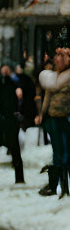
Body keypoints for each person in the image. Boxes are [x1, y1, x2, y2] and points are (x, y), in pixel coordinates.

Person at [37, 38, 70, 197]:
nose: (60, 58)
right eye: (58, 55)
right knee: (59, 153)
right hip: (56, 118)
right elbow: (48, 97)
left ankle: (60, 185)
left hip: (65, 118)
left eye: (64, 55)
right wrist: (42, 115)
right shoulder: (52, 76)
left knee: (64, 154)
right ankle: (58, 185)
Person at [0, 63, 26, 185]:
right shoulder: (1, 83)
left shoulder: (13, 82)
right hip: (6, 117)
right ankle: (19, 177)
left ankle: (19, 177)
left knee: (14, 146)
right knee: (14, 146)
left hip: (10, 118)